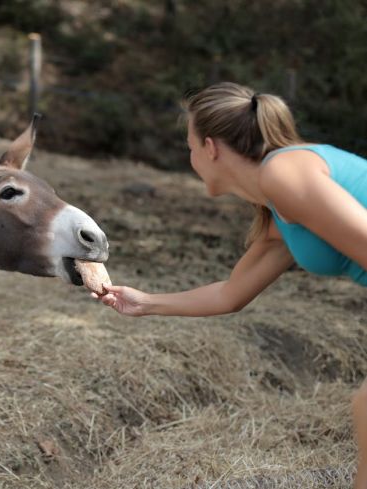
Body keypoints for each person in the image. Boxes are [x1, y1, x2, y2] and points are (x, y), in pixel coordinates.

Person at [95, 82, 367, 487]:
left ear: (211, 148)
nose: (190, 158)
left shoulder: (285, 172)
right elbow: (230, 293)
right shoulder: (281, 214)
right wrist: (145, 302)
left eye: (189, 147)